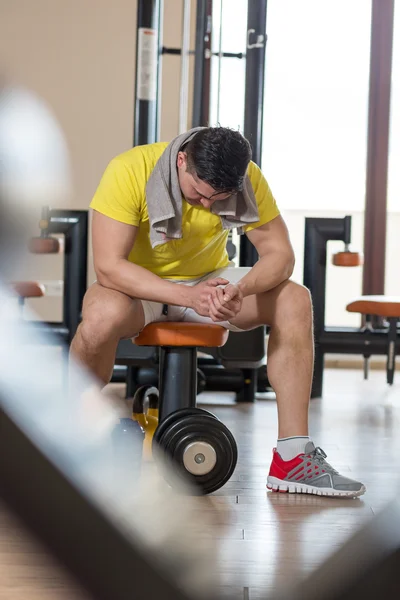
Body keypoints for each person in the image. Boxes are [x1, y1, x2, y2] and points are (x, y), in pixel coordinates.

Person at [70, 126, 365, 498]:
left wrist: (238, 290)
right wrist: (185, 295)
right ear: (181, 162)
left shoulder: (247, 178)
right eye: (199, 193)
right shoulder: (129, 170)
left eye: (219, 198)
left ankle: (293, 459)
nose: (208, 205)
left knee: (295, 298)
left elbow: (281, 256)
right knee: (98, 317)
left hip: (210, 282)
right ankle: (70, 433)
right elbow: (109, 267)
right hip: (141, 287)